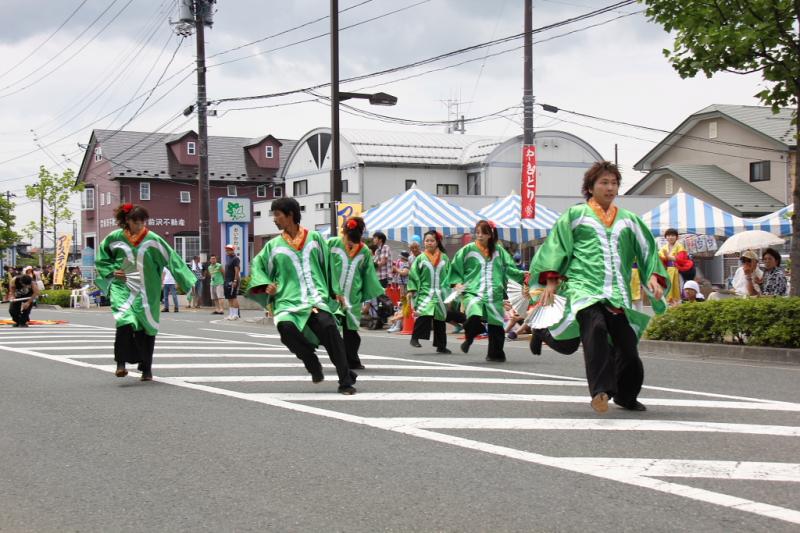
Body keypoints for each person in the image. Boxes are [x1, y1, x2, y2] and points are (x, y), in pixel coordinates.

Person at [530, 161, 667, 414]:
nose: (610, 187)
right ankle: (601, 391)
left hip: (616, 294)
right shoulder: (575, 216)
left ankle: (626, 396)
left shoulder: (630, 220)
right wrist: (550, 280)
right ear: (590, 187)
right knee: (595, 327)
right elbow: (556, 247)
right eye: (604, 182)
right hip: (583, 289)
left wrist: (654, 277)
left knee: (627, 347)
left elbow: (647, 251)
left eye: (614, 183)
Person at [247, 197, 357, 395]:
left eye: (277, 214)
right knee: (286, 328)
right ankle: (311, 361)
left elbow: (328, 266)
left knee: (329, 328)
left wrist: (336, 291)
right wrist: (266, 285)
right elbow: (258, 266)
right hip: (287, 300)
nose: (275, 219)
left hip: (316, 298)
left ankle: (345, 380)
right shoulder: (273, 246)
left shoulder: (315, 239)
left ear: (290, 215)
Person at [95, 203, 195, 381]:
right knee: (124, 320)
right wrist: (111, 271)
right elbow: (102, 259)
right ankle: (120, 364)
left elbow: (173, 259)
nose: (140, 225)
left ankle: (146, 369)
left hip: (148, 290)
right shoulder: (114, 238)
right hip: (122, 287)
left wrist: (187, 281)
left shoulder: (153, 239)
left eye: (142, 221)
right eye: (136, 221)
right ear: (127, 220)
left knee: (147, 327)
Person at [450, 220, 527, 362]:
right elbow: (455, 266)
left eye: (483, 232)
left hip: (494, 293)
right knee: (473, 312)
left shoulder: (499, 251)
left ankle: (495, 353)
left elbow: (509, 269)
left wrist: (524, 275)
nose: (479, 235)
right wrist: (456, 283)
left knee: (496, 324)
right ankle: (472, 334)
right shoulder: (468, 249)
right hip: (472, 290)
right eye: (477, 232)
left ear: (490, 235)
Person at [328, 216, 384, 369]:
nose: (351, 242)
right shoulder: (332, 244)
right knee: (331, 329)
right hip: (333, 296)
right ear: (343, 232)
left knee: (351, 331)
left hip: (354, 296)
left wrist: (368, 299)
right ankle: (341, 360)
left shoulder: (365, 251)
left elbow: (368, 275)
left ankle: (352, 360)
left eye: (355, 239)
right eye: (348, 238)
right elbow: (320, 263)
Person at [408, 230, 464, 353]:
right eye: (427, 241)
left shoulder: (444, 258)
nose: (429, 243)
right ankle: (415, 338)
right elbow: (413, 275)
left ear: (437, 242)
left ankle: (441, 345)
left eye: (432, 240)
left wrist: (455, 285)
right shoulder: (420, 258)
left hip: (441, 293)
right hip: (425, 292)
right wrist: (411, 290)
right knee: (425, 314)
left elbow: (450, 275)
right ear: (423, 242)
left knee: (440, 320)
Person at [387, 251, 411, 333]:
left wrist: (396, 269)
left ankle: (397, 325)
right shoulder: (401, 264)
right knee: (400, 305)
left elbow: (404, 273)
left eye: (401, 257)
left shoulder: (406, 264)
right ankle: (396, 325)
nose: (399, 258)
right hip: (401, 286)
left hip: (405, 286)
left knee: (403, 305)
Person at [659, 228, 684, 305]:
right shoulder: (663, 248)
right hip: (666, 272)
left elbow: (681, 258)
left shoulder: (680, 247)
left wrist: (669, 257)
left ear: (677, 237)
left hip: (677, 271)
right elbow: (659, 259)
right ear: (666, 237)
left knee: (677, 289)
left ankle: (677, 304)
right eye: (668, 235)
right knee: (667, 290)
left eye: (673, 235)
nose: (670, 237)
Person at [223, 244, 241, 320]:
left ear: (232, 250)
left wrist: (235, 280)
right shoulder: (229, 259)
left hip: (232, 280)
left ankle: (236, 314)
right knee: (229, 298)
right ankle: (231, 314)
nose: (226, 251)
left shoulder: (235, 259)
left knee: (233, 297)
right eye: (226, 249)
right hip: (227, 280)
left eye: (228, 250)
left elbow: (237, 271)